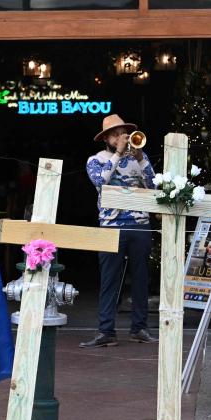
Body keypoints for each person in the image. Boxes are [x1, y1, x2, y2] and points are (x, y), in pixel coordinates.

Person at [80, 114, 158, 348]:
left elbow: (154, 185)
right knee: (109, 280)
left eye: (122, 133)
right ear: (106, 139)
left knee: (141, 278)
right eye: (115, 134)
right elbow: (100, 182)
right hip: (111, 226)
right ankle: (106, 331)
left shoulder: (138, 158)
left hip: (139, 225)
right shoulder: (95, 160)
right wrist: (117, 154)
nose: (120, 137)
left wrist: (141, 157)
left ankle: (139, 328)